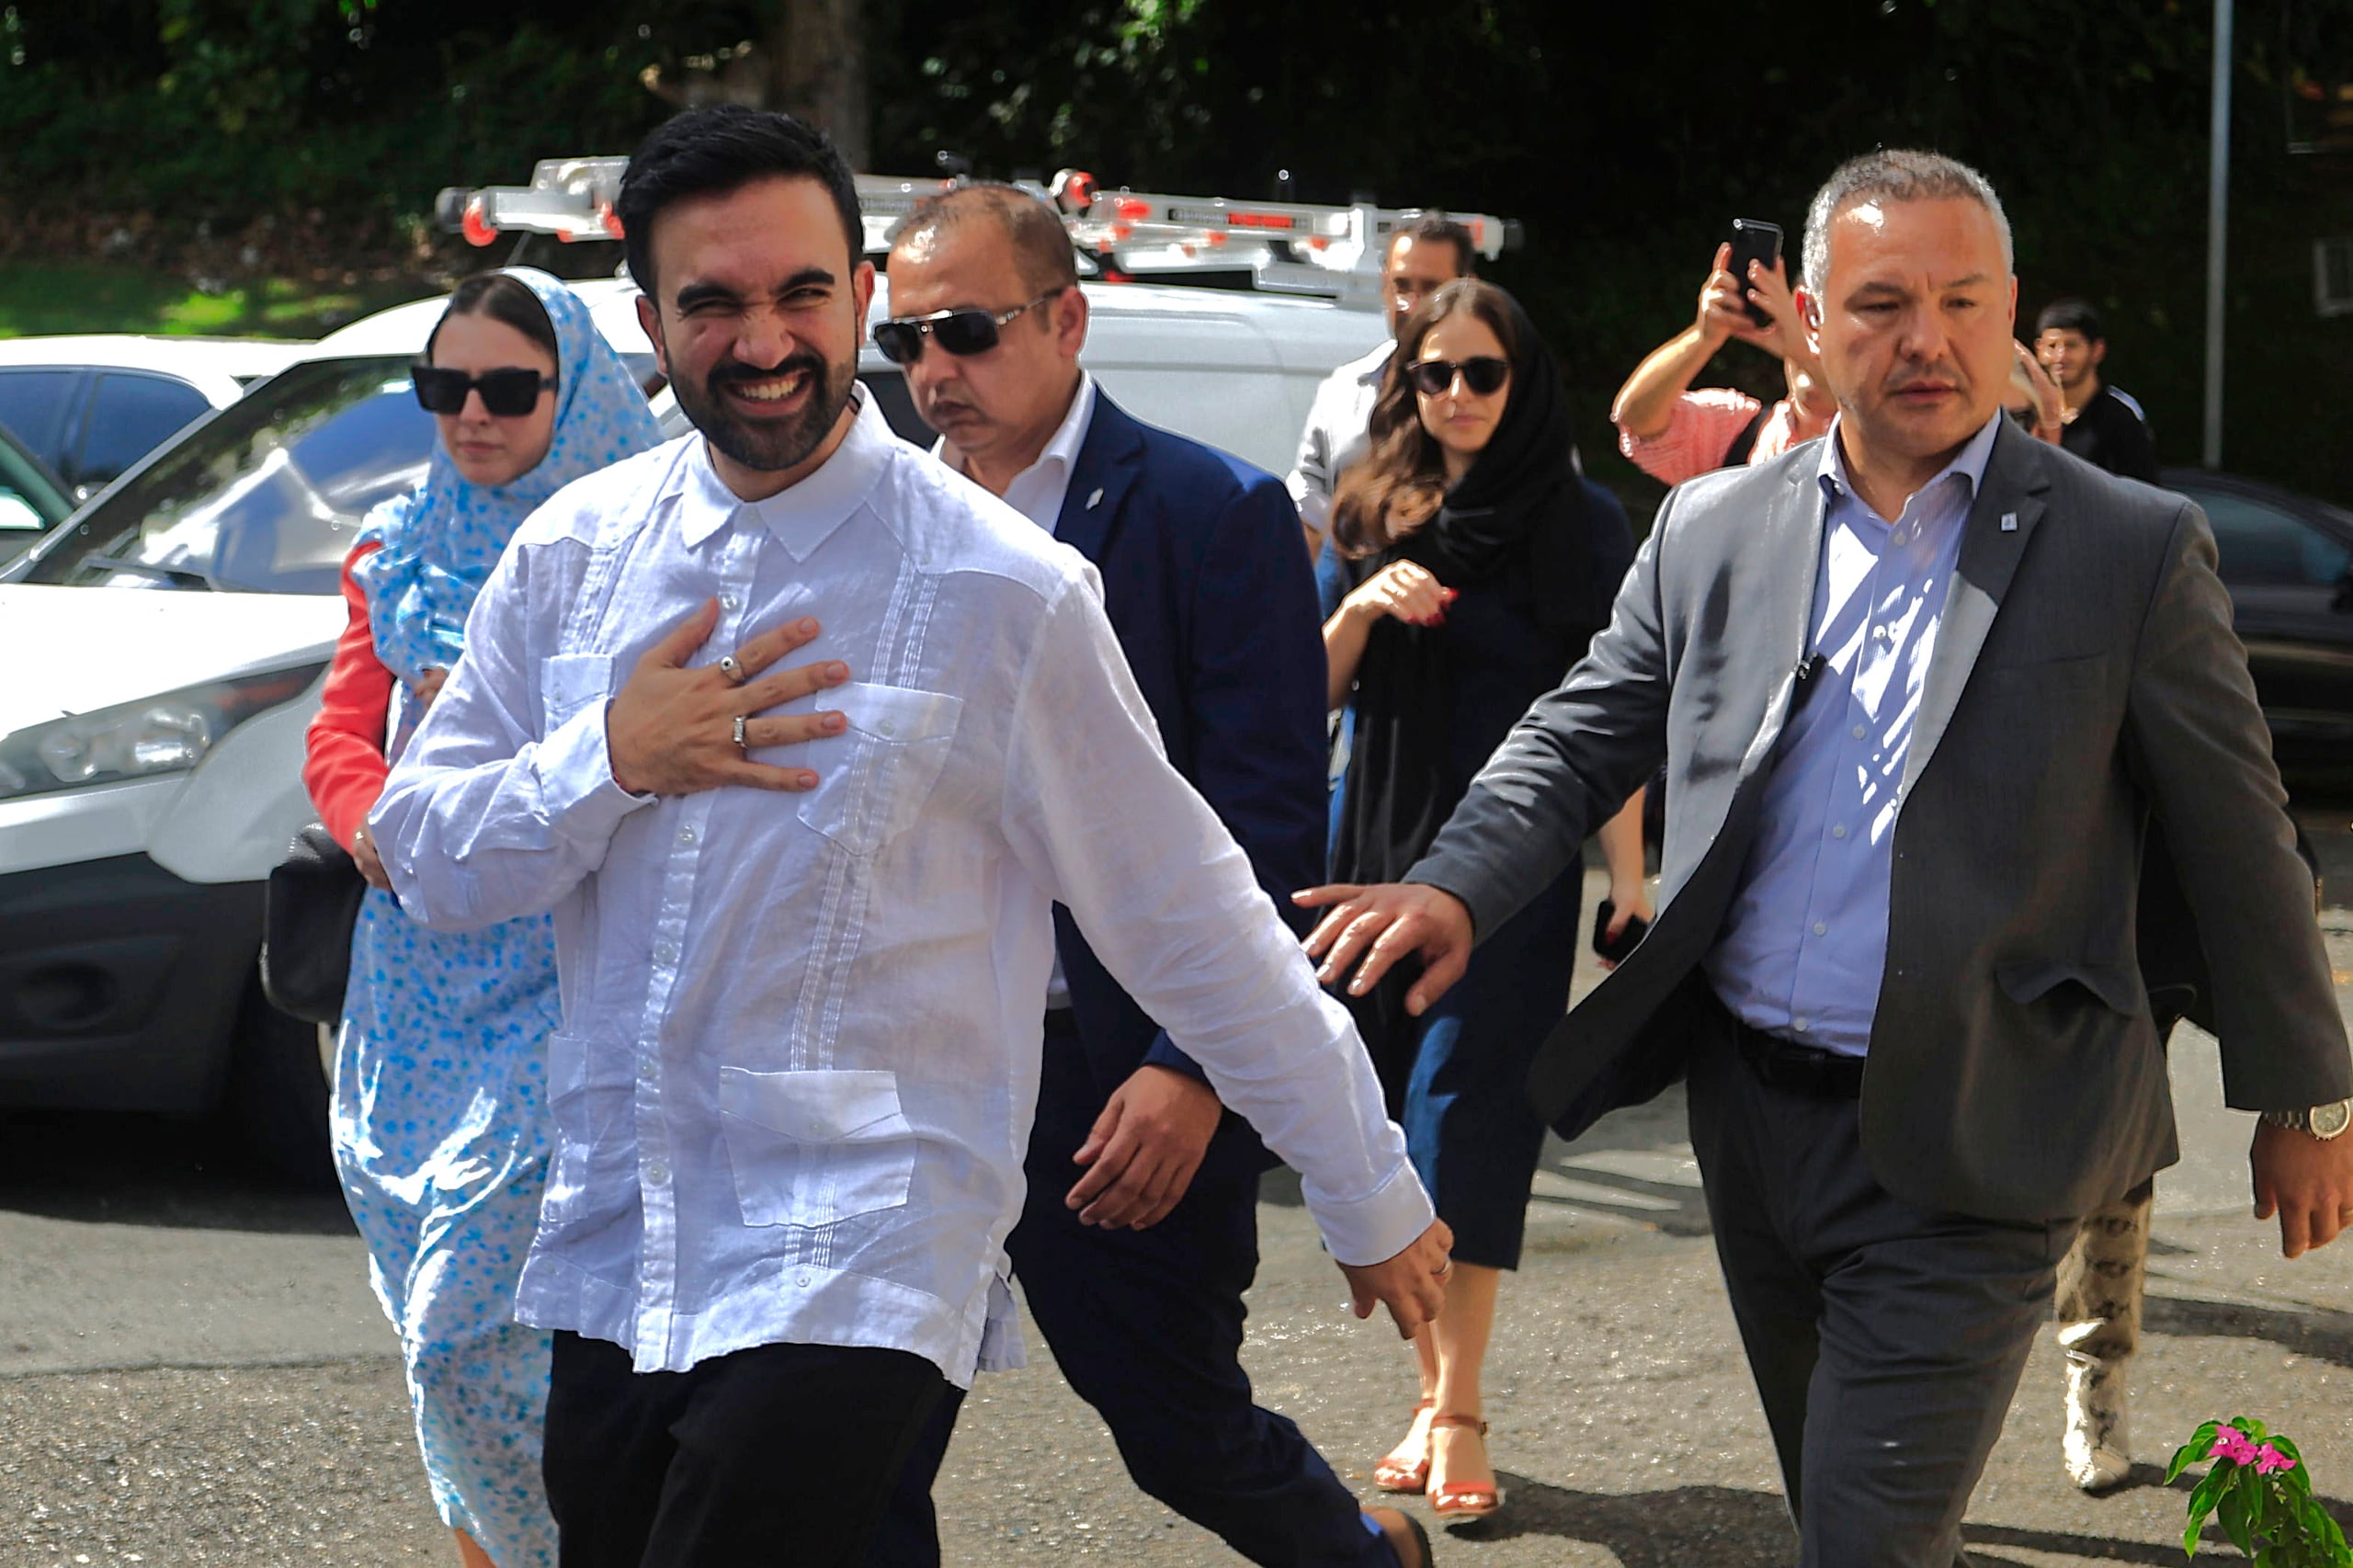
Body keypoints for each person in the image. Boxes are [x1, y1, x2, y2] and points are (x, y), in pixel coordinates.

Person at [367, 105, 1453, 1568]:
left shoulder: (1003, 589)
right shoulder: (573, 556)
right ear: (648, 318)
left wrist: (1364, 1180)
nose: (764, 340)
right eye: (714, 303)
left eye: (801, 293)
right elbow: (424, 849)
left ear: (863, 296)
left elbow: (1184, 906)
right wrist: (609, 758)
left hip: (863, 1238)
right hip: (621, 1241)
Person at [1300, 149, 2353, 1567]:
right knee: (1844, 1506)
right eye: (1880, 302)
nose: (1925, 337)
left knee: (1859, 1540)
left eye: (1962, 301)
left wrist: (2308, 1093)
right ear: (1807, 317)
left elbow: (2244, 832)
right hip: (1754, 1120)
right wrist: (1454, 880)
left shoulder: (2131, 547)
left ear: (2009, 312)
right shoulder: (1715, 524)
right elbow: (1578, 731)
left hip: (1982, 1129)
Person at [857, 181, 1435, 1568]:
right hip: (919, 1065)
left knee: (1174, 1422)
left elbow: (1268, 815)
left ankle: (1363, 1556)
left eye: (970, 331)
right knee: (853, 1433)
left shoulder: (1209, 513)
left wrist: (1193, 1063)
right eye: (907, 342)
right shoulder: (876, 524)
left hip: (1115, 1070)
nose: (935, 371)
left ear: (1067, 318)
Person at [302, 266, 664, 1568]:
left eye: (509, 388)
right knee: (428, 1316)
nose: (471, 415)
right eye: (441, 387)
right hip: (410, 974)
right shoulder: (402, 540)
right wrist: (376, 827)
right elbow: (342, 729)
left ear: (579, 396)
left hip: (564, 976)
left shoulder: (644, 546)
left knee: (467, 1334)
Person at [1320, 277, 1642, 1526]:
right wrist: (1359, 602)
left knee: (1468, 1117)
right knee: (1394, 1129)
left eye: (1482, 373)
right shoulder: (1374, 500)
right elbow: (1304, 696)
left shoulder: (1579, 522)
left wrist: (1629, 878)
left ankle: (1460, 1406)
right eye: (1434, 374)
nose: (1455, 396)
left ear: (1527, 381)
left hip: (1510, 875)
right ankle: (1426, 1390)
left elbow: (1611, 723)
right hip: (1374, 861)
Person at [1290, 215, 1477, 558]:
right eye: (1402, 285)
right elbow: (1308, 521)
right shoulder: (1343, 393)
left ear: (1468, 289)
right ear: (1384, 286)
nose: (1412, 304)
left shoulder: (1500, 394)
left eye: (1432, 288)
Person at [1609, 241, 1836, 487]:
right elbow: (1636, 419)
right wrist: (1703, 337)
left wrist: (1803, 353)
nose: (1816, 338)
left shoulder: (1878, 443)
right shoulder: (1738, 430)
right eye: (1808, 319)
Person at [2033, 297, 2159, 482]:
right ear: (2038, 349)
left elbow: (2144, 496)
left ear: (2097, 350)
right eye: (2052, 346)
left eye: (2071, 345)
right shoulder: (2025, 414)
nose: (2060, 356)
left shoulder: (2122, 419)